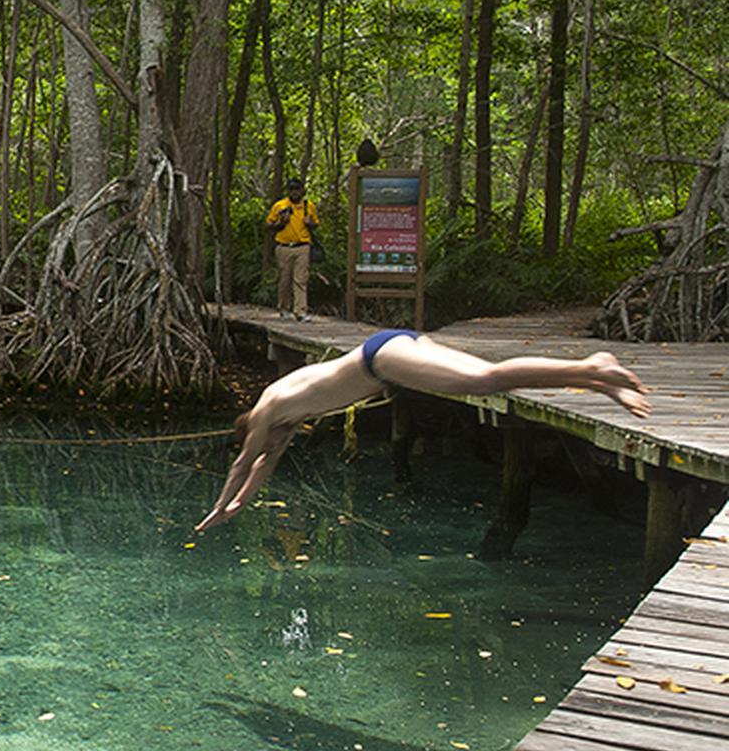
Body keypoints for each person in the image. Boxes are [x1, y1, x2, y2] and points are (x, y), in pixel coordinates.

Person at [194, 329, 652, 532]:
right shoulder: (284, 421)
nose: (272, 447)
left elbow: (244, 463)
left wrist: (218, 507)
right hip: (392, 348)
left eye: (266, 443)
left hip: (379, 359)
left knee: (485, 382)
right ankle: (597, 380)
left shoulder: (264, 412)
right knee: (488, 377)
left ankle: (591, 367)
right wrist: (239, 507)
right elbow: (261, 470)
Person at [268, 177, 319, 320]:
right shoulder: (280, 206)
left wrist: (310, 223)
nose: (294, 192)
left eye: (297, 189)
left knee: (300, 280)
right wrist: (281, 223)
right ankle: (284, 308)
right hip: (284, 247)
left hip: (302, 247)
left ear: (302, 190)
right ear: (287, 191)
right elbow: (269, 225)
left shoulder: (309, 206)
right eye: (291, 189)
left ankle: (300, 311)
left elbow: (316, 224)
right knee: (284, 280)